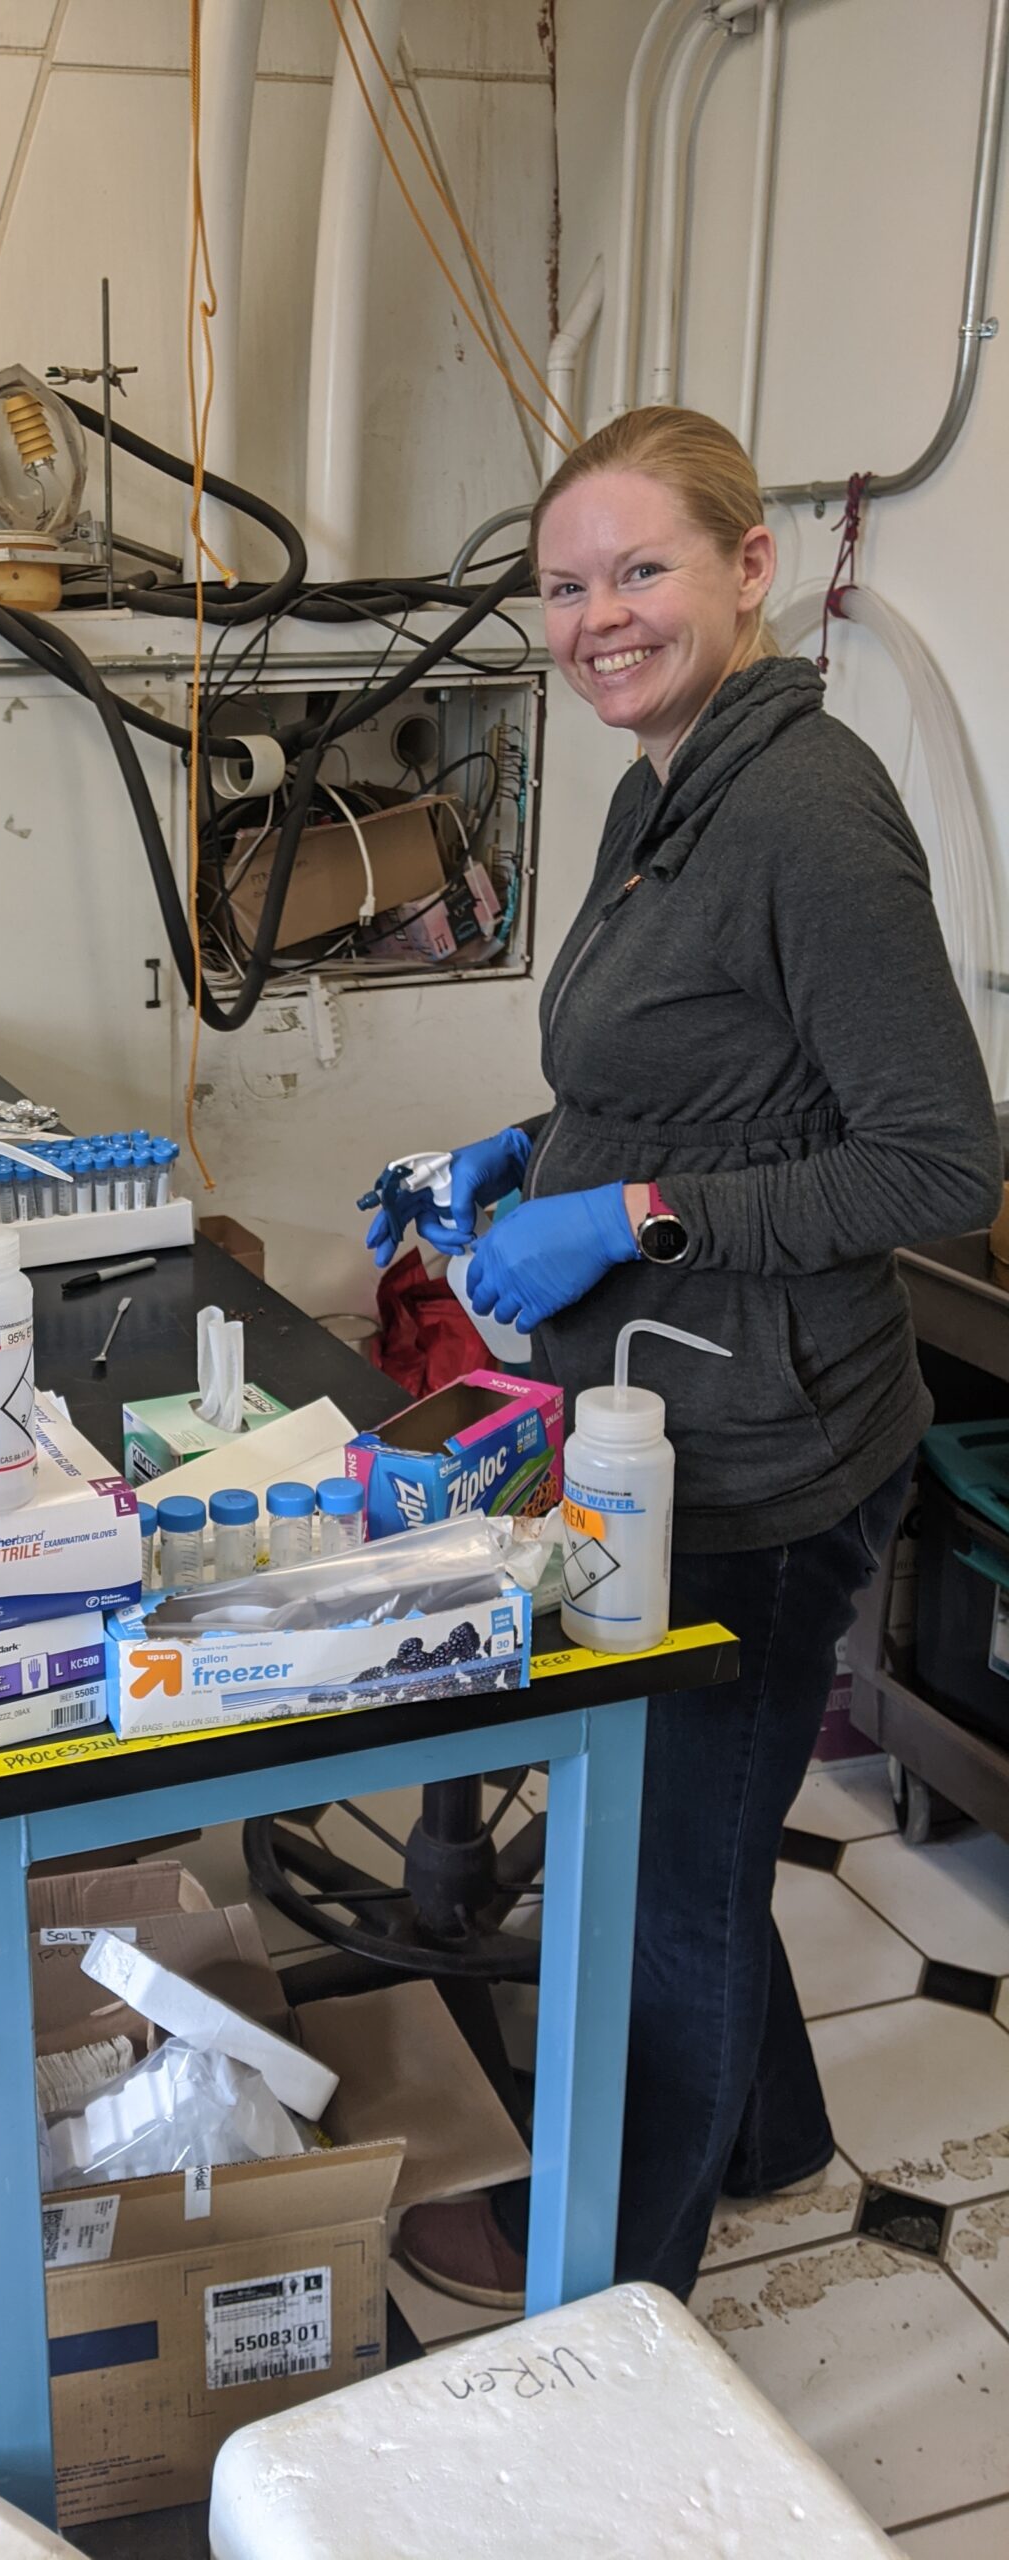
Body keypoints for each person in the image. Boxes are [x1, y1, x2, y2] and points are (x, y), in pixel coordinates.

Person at [368, 408, 1000, 2304]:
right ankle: (775, 2136)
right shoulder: (670, 786)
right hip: (667, 1415)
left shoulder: (806, 807)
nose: (596, 618)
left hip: (765, 1453)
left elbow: (938, 1157)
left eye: (640, 569)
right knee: (691, 1829)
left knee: (665, 1873)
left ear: (750, 568)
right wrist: (527, 1150)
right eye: (565, 586)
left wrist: (633, 1218)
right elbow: (695, 1076)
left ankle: (608, 2272)